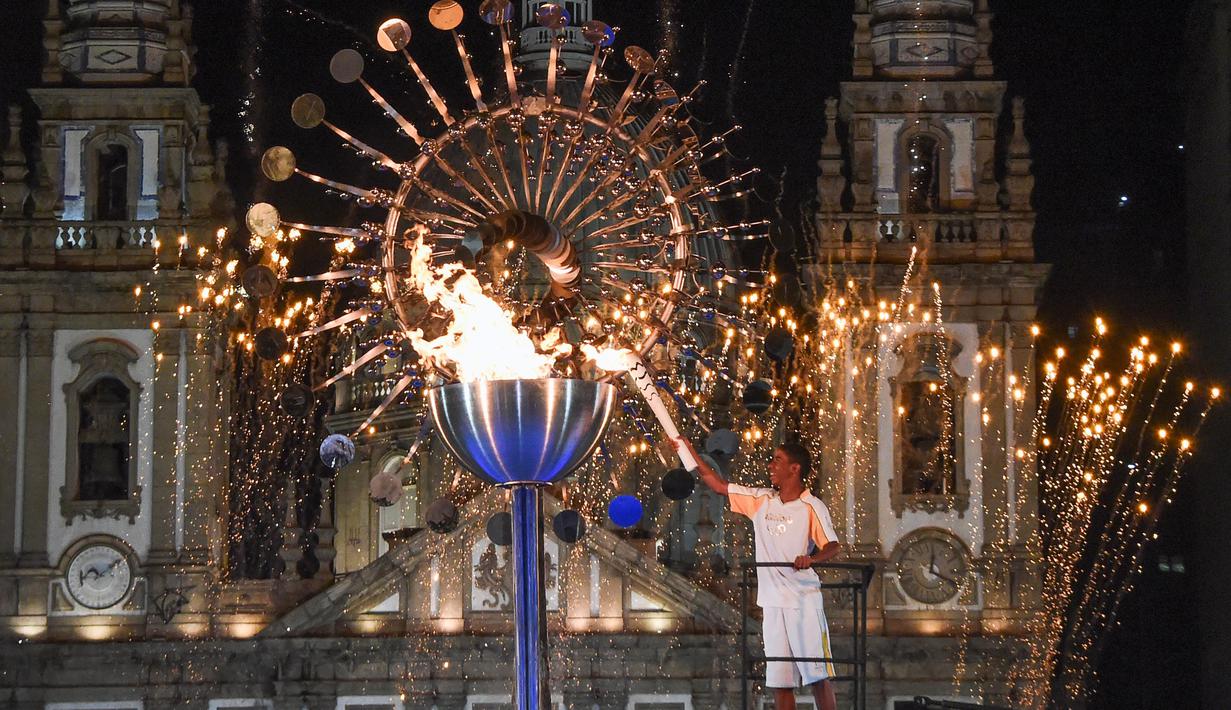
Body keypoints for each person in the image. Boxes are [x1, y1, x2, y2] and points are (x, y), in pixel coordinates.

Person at [675, 438, 841, 710]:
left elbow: (833, 546)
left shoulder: (812, 506)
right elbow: (717, 485)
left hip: (803, 602)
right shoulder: (761, 500)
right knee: (780, 681)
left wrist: (810, 559)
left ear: (794, 468)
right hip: (773, 603)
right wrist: (688, 451)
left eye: (777, 460)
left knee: (817, 676)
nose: (770, 465)